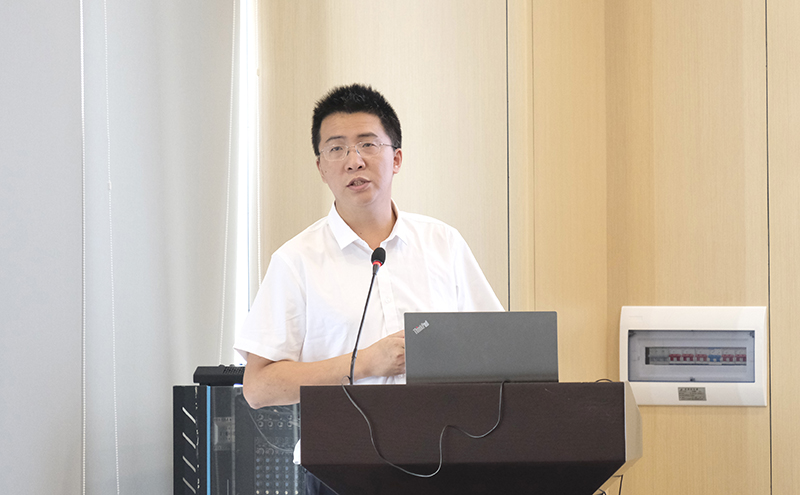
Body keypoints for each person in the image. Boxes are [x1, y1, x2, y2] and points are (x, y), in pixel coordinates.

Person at [234, 84, 503, 494]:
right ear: (321, 167)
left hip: (446, 464)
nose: (353, 160)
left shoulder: (443, 244)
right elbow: (258, 388)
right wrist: (366, 363)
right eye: (336, 149)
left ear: (396, 158)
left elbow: (497, 350)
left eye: (367, 144)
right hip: (339, 473)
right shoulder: (296, 260)